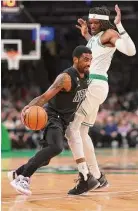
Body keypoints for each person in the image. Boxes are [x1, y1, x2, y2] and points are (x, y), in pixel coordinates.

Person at [8, 45, 100, 195]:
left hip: (64, 121)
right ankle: (22, 178)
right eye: (85, 59)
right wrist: (28, 107)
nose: (88, 63)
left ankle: (17, 172)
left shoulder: (87, 76)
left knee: (46, 158)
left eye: (90, 59)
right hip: (53, 117)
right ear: (75, 60)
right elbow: (45, 96)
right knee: (56, 147)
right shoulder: (66, 78)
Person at [66, 5, 136, 195]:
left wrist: (120, 26)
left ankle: (86, 178)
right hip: (94, 86)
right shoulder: (96, 38)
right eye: (91, 22)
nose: (93, 25)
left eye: (96, 22)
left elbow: (130, 51)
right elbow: (96, 50)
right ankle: (98, 178)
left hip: (94, 84)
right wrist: (87, 36)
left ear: (104, 22)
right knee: (81, 131)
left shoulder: (110, 33)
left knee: (71, 130)